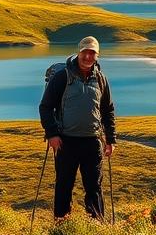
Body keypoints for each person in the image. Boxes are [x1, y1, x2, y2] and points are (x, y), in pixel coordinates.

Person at [39, 36, 116, 220]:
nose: (88, 57)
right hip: (66, 141)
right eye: (85, 52)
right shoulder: (62, 77)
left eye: (92, 53)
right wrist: (52, 134)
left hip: (93, 141)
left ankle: (97, 224)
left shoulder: (101, 79)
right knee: (64, 185)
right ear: (78, 52)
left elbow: (108, 110)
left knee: (94, 186)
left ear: (97, 55)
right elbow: (46, 107)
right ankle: (61, 224)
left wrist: (111, 139)